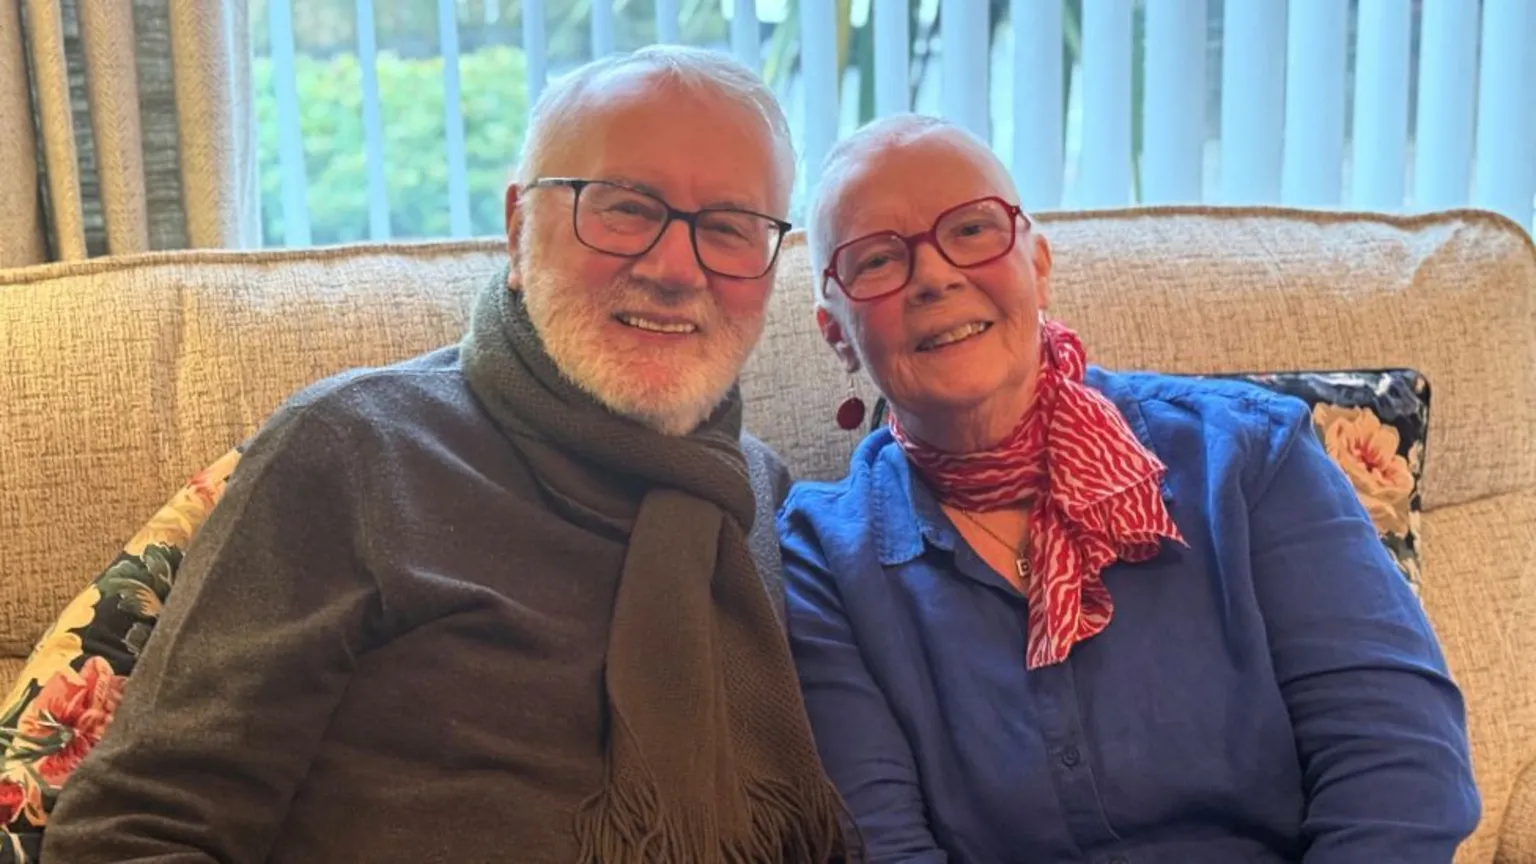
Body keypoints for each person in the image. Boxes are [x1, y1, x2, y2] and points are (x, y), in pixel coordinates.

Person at [44, 46, 851, 863]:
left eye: (729, 227)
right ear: (518, 229)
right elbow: (134, 833)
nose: (676, 268)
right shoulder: (352, 450)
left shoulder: (755, 494)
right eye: (625, 209)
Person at [780, 113, 1479, 864]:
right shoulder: (822, 559)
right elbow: (880, 846)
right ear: (836, 333)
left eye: (973, 229)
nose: (935, 276)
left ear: (1037, 264)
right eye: (877, 260)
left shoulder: (1250, 456)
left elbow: (1402, 774)